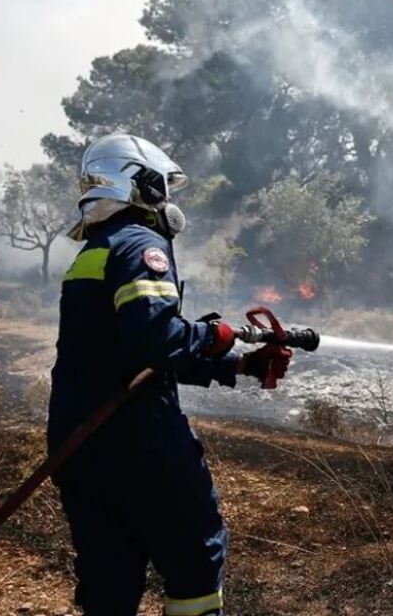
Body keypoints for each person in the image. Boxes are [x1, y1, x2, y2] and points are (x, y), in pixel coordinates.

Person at [48, 134, 271, 615]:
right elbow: (156, 339)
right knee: (194, 556)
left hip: (80, 445)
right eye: (162, 185)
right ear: (140, 183)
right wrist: (218, 335)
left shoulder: (95, 250)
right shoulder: (142, 244)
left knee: (110, 577)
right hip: (139, 443)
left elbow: (133, 357)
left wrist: (239, 365)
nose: (167, 199)